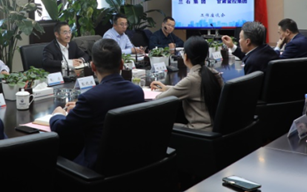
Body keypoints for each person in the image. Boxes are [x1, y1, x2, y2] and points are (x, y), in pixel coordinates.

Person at [48, 39, 145, 169]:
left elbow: (61, 130)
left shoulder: (90, 98)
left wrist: (57, 115)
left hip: (95, 169)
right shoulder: (137, 92)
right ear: (122, 64)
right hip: (130, 163)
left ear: (93, 67)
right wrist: (80, 109)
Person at [150, 37, 223, 131]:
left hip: (198, 131)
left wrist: (166, 91)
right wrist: (166, 88)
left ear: (186, 56)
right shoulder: (213, 73)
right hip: (215, 128)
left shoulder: (191, 80)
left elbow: (159, 99)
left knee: (157, 124)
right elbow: (194, 89)